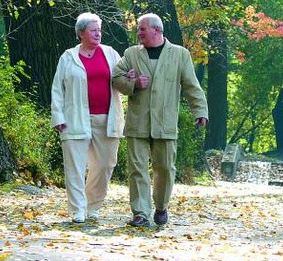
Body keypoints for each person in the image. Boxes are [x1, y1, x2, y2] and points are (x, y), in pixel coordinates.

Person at [112, 13, 208, 227]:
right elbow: (116, 77)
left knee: (165, 168)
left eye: (142, 29)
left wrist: (200, 111)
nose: (138, 33)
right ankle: (140, 213)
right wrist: (134, 84)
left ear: (156, 30)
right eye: (138, 29)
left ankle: (161, 207)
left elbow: (192, 86)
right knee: (136, 169)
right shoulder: (131, 54)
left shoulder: (180, 55)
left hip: (165, 123)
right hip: (138, 122)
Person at [51, 12, 125, 223]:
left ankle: (93, 205)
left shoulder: (110, 54)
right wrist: (58, 116)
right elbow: (57, 89)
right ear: (81, 33)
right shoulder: (68, 57)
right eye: (93, 30)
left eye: (99, 30)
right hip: (75, 118)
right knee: (74, 166)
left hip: (107, 119)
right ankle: (77, 210)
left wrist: (129, 77)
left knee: (106, 164)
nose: (98, 34)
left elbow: (121, 77)